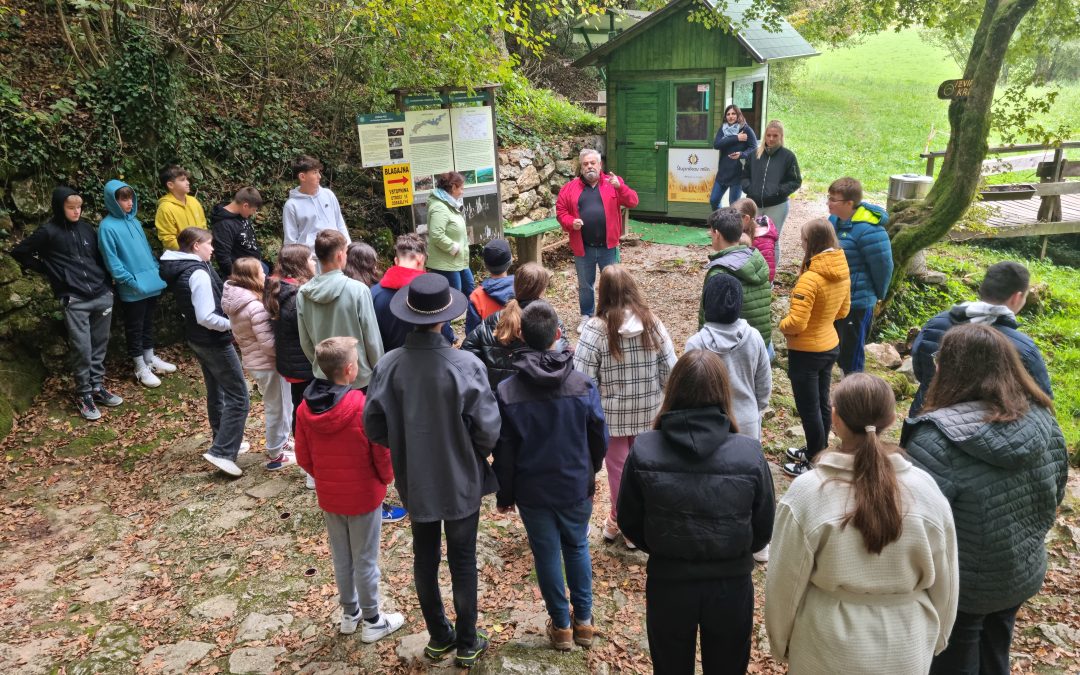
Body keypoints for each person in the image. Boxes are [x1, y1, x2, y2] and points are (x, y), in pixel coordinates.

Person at [765, 373, 959, 674]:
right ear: (892, 418)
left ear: (835, 418)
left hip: (826, 644)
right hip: (906, 642)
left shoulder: (808, 492)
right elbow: (947, 581)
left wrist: (781, 642)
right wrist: (937, 637)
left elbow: (783, 583)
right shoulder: (925, 490)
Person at [902, 324, 1067, 675]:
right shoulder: (1044, 418)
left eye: (940, 359)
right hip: (1019, 572)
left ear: (956, 369)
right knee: (996, 654)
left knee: (952, 660)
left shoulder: (935, 437)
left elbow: (915, 525)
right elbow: (1058, 490)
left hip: (960, 586)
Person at [364, 273, 501, 669]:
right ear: (445, 319)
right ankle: (468, 641)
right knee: (463, 558)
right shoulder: (465, 364)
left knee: (424, 556)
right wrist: (469, 447)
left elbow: (373, 426)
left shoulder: (388, 366)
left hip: (415, 477)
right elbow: (489, 430)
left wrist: (408, 442)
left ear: (409, 316)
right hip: (461, 478)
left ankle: (439, 636)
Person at [618, 349, 774, 675]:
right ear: (723, 393)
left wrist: (664, 544)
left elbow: (630, 521)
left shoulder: (645, 448)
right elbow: (762, 529)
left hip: (669, 582)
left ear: (673, 390)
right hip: (731, 585)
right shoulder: (749, 453)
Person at [492, 300, 608, 651]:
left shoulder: (508, 391)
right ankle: (584, 622)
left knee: (546, 553)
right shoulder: (583, 385)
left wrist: (505, 495)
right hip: (574, 484)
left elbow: (505, 452)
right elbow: (598, 438)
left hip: (533, 490)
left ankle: (561, 626)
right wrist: (591, 470)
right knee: (577, 546)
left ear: (522, 335)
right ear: (558, 334)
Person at [294, 336, 405, 642]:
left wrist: (326, 478)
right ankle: (373, 620)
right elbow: (380, 451)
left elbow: (303, 456)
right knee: (366, 559)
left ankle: (349, 613)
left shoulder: (305, 408)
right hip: (364, 496)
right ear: (350, 369)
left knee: (342, 557)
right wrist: (386, 478)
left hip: (330, 496)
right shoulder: (361, 405)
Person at [573, 264, 677, 549]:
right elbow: (671, 369)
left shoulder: (596, 330)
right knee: (647, 468)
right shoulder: (653, 323)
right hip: (649, 411)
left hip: (612, 418)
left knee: (618, 471)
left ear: (602, 293)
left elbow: (582, 379)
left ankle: (622, 521)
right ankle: (635, 524)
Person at [11, 187, 121, 420]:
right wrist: (51, 271)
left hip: (101, 294)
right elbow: (20, 252)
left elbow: (98, 258)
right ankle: (84, 394)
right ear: (60, 207)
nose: (76, 212)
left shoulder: (86, 228)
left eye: (79, 207)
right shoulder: (48, 232)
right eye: (71, 208)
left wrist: (107, 286)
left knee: (100, 344)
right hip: (75, 299)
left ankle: (97, 387)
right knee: (83, 348)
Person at [160, 227, 250, 476]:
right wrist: (234, 325)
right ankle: (222, 452)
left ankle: (224, 439)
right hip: (212, 341)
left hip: (199, 339)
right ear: (196, 246)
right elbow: (205, 316)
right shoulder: (196, 273)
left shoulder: (187, 267)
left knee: (217, 390)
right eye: (209, 244)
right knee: (239, 397)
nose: (213, 248)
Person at [909, 261, 1052, 415]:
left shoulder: (935, 324)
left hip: (925, 416)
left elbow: (920, 370)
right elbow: (1042, 398)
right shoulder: (1024, 348)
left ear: (983, 288)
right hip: (986, 427)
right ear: (1017, 297)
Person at [779, 218, 850, 477]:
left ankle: (813, 462)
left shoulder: (811, 278)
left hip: (806, 352)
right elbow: (844, 310)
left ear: (813, 243)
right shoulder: (842, 269)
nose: (801, 243)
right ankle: (817, 450)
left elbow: (796, 323)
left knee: (808, 408)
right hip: (830, 344)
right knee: (821, 402)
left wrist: (782, 325)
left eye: (804, 239)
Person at [97, 179, 175, 389]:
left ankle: (150, 359)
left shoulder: (135, 222)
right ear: (113, 201)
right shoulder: (106, 227)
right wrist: (130, 281)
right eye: (123, 199)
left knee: (148, 323)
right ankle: (140, 367)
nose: (129, 202)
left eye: (130, 197)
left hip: (151, 283)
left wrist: (155, 270)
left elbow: (147, 252)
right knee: (135, 327)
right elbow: (112, 261)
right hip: (132, 288)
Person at [555, 149, 639, 333]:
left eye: (593, 163)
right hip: (583, 247)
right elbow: (561, 212)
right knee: (585, 284)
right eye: (585, 164)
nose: (589, 166)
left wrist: (620, 187)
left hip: (608, 246)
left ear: (600, 165)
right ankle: (586, 315)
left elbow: (633, 201)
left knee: (614, 282)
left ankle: (613, 315)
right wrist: (571, 222)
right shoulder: (570, 188)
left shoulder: (613, 183)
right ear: (581, 167)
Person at [222, 257, 293, 470]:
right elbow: (268, 343)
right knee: (276, 407)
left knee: (279, 404)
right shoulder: (254, 306)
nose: (265, 275)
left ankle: (283, 440)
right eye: (261, 273)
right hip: (267, 363)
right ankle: (275, 453)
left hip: (254, 362)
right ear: (251, 276)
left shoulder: (236, 301)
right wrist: (287, 351)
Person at [686, 274, 771, 441]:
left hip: (707, 425)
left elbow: (688, 393)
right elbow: (764, 385)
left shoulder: (695, 344)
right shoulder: (754, 337)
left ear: (706, 303)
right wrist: (756, 408)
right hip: (747, 421)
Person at [297, 230, 383, 390]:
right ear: (339, 255)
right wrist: (379, 370)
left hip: (324, 376)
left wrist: (322, 366)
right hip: (358, 376)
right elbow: (372, 339)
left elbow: (305, 341)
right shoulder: (358, 290)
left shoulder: (303, 293)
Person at [462, 262, 570, 390]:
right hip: (536, 395)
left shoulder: (493, 319)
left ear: (515, 285)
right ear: (542, 290)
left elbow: (466, 351)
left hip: (498, 397)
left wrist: (483, 381)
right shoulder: (549, 320)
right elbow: (561, 357)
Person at [827, 177, 893, 375]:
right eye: (828, 198)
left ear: (849, 203)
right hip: (834, 298)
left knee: (852, 354)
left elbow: (883, 267)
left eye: (833, 200)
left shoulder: (870, 230)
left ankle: (853, 394)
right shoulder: (833, 221)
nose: (828, 203)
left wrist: (877, 295)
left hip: (857, 303)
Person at [699, 207, 772, 354]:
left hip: (733, 350)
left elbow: (708, 317)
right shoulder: (757, 260)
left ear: (717, 234)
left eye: (711, 231)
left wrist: (702, 346)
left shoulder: (719, 273)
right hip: (761, 344)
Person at [370, 233, 454, 350]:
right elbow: (447, 336)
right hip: (432, 361)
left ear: (396, 260)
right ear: (421, 259)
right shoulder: (432, 292)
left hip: (390, 363)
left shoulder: (374, 293)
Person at [265, 244, 316, 434]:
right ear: (300, 264)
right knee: (306, 409)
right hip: (303, 362)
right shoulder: (296, 296)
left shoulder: (278, 287)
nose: (313, 263)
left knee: (299, 403)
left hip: (291, 361)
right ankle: (304, 444)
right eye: (310, 259)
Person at [741, 120, 801, 261]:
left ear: (781, 136)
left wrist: (778, 191)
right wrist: (750, 188)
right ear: (764, 135)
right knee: (751, 239)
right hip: (754, 204)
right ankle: (753, 273)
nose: (771, 139)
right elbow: (744, 176)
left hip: (777, 205)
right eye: (768, 135)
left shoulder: (788, 156)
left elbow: (795, 180)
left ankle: (770, 278)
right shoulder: (754, 154)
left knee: (771, 240)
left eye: (775, 136)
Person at [282, 155, 350, 249]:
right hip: (310, 259)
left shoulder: (328, 195)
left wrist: (348, 248)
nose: (319, 176)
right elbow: (290, 242)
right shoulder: (291, 206)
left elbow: (340, 224)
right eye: (315, 173)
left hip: (336, 253)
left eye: (318, 172)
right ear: (302, 177)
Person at [425, 171, 474, 299]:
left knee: (470, 291)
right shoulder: (440, 207)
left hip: (458, 262)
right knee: (451, 301)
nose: (463, 192)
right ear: (453, 188)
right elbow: (436, 235)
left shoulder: (450, 205)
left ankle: (473, 319)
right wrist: (453, 247)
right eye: (461, 188)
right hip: (445, 264)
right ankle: (448, 320)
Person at [209, 187, 267, 278]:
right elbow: (223, 257)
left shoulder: (241, 214)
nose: (254, 213)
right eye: (253, 210)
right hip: (243, 275)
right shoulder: (223, 225)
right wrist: (236, 277)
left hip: (255, 267)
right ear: (245, 206)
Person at [710, 105, 758, 210]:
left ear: (738, 115)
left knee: (734, 206)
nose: (731, 116)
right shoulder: (723, 129)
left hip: (738, 173)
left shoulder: (746, 129)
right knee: (714, 200)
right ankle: (721, 219)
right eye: (728, 114)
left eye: (733, 114)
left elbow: (754, 148)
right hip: (723, 172)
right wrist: (736, 137)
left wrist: (742, 154)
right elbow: (717, 144)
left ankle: (732, 225)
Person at [465, 238, 514, 335]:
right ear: (511, 261)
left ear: (485, 265)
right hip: (520, 347)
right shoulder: (523, 287)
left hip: (488, 347)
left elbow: (471, 334)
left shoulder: (477, 296)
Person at [155, 165, 207, 251]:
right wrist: (190, 251)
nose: (188, 182)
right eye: (182, 180)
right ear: (170, 185)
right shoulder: (165, 208)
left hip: (200, 252)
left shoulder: (194, 201)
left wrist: (203, 246)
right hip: (180, 257)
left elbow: (203, 225)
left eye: (187, 179)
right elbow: (168, 239)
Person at [732, 197, 778, 282]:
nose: (734, 223)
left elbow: (768, 272)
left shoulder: (764, 241)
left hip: (759, 285)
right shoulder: (746, 229)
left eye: (736, 220)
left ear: (746, 219)